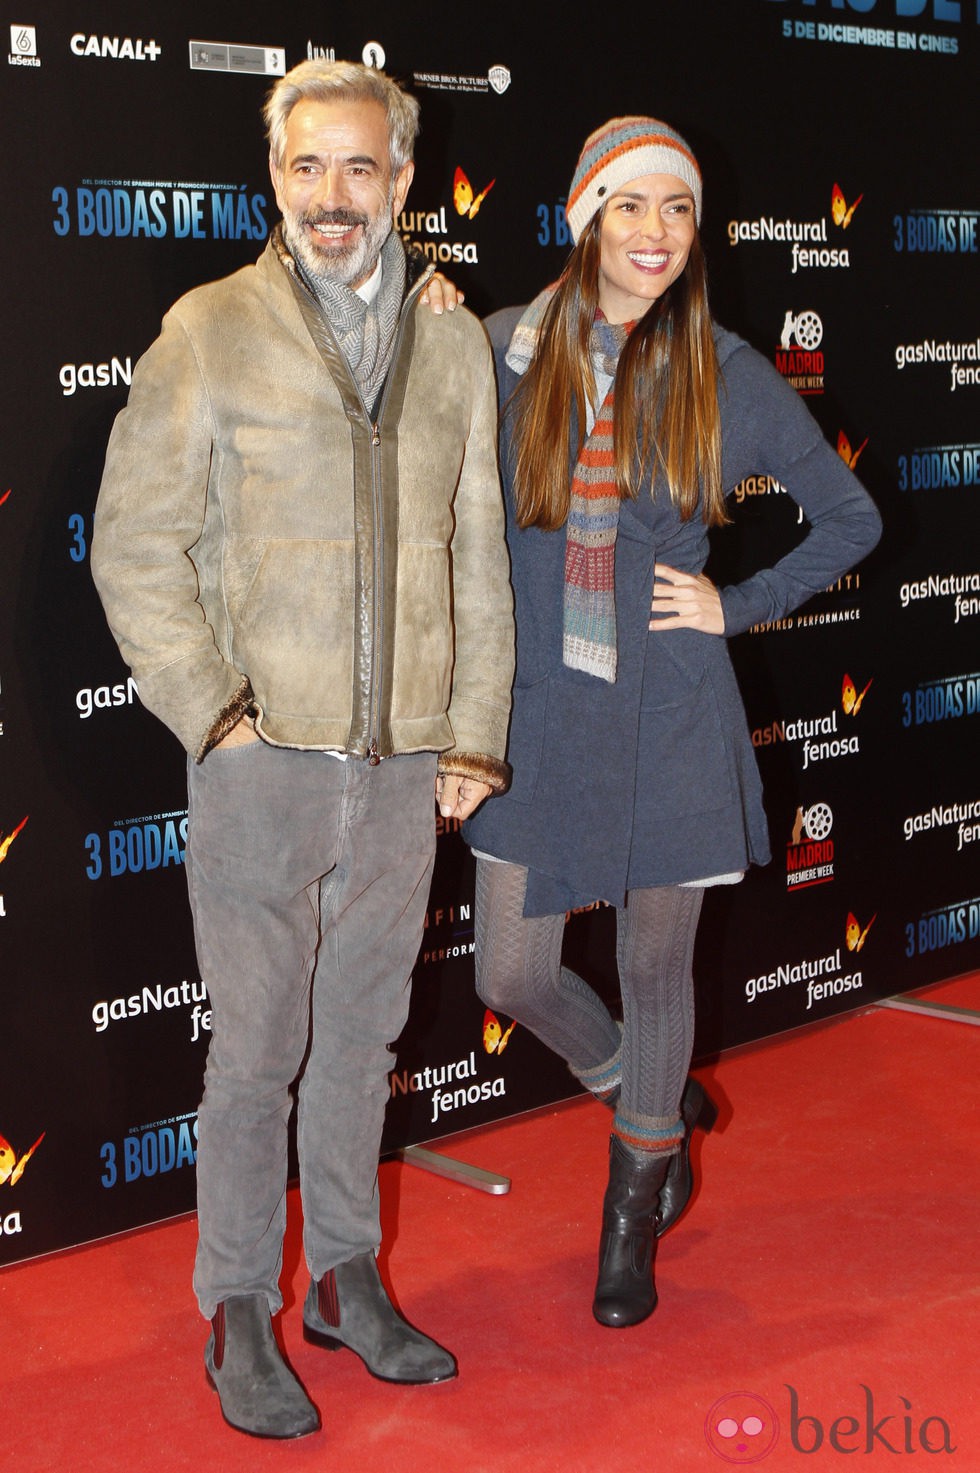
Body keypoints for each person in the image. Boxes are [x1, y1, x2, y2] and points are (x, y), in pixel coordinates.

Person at [92, 59, 514, 1439]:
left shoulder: (451, 342)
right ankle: (235, 1306)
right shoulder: (209, 329)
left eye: (360, 170)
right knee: (258, 1046)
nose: (333, 199)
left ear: (403, 181)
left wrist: (473, 735)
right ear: (274, 180)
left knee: (363, 1038)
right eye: (305, 169)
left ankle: (343, 1274)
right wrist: (212, 708)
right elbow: (138, 544)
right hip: (261, 768)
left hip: (402, 770)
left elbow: (479, 560)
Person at [464, 117, 881, 1330]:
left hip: (672, 709)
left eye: (678, 210)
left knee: (654, 966)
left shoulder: (726, 371)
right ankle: (641, 1093)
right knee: (511, 969)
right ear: (583, 213)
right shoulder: (497, 355)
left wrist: (732, 602)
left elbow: (849, 519)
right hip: (535, 710)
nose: (655, 234)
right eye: (631, 205)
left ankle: (631, 1212)